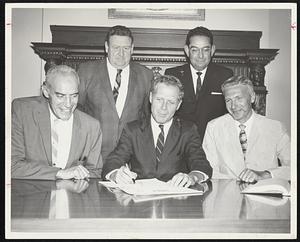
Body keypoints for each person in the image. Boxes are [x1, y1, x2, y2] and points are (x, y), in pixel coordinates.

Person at [102, 75, 212, 187]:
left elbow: (202, 165)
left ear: (178, 105)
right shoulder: (132, 130)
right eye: (159, 99)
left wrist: (192, 177)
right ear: (150, 98)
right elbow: (112, 162)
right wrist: (116, 174)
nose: (163, 107)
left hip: (176, 199)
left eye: (171, 102)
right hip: (139, 199)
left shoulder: (188, 130)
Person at [11, 65, 103, 180]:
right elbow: (11, 166)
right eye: (61, 96)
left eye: (74, 96)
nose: (68, 104)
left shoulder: (91, 126)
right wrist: (59, 173)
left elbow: (95, 172)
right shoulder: (23, 112)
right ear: (46, 91)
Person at [77, 25, 154, 160]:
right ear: (107, 47)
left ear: (132, 49)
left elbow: (147, 119)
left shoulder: (145, 75)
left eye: (126, 48)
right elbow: (76, 112)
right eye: (115, 48)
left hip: (130, 158)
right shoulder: (86, 71)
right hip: (93, 155)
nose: (121, 53)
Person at [202, 75, 290, 182]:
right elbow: (210, 170)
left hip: (265, 194)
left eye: (238, 98)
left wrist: (264, 175)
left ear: (252, 97)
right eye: (228, 100)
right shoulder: (214, 127)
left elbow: (293, 168)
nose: (233, 106)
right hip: (226, 194)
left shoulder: (275, 128)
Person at [165, 26, 233, 142]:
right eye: (195, 50)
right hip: (180, 144)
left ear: (212, 50)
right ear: (187, 50)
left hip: (214, 142)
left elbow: (230, 114)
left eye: (205, 49)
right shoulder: (172, 74)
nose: (200, 56)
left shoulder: (225, 75)